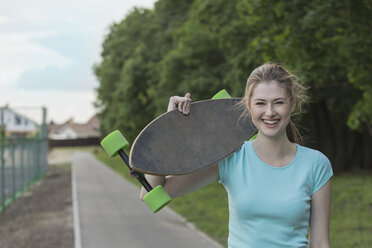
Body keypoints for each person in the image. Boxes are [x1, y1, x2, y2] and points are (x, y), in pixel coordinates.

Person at [140, 62, 333, 248]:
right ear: (249, 107)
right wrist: (166, 130)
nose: (270, 112)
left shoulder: (316, 164)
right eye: (260, 103)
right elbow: (152, 192)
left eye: (279, 102)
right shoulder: (231, 157)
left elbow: (319, 243)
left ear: (292, 104)